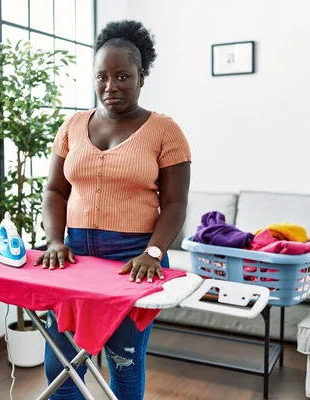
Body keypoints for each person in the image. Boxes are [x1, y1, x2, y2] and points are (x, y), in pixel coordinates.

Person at [33, 19, 191, 400]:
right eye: (102, 76)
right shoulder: (72, 124)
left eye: (122, 76)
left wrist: (153, 252)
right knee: (61, 362)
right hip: (73, 257)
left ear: (141, 76)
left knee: (124, 361)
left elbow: (175, 203)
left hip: (134, 260)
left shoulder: (165, 131)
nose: (111, 86)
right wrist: (54, 241)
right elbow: (55, 190)